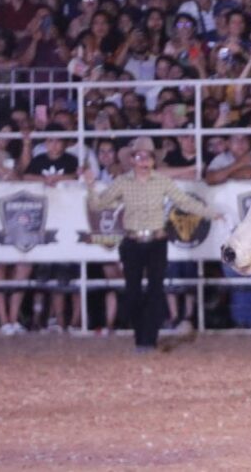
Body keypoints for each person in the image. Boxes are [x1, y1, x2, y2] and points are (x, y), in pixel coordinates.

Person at [84, 137, 223, 352]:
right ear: (132, 160)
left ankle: (147, 339)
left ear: (151, 160)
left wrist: (210, 213)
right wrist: (91, 186)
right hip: (132, 241)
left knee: (155, 290)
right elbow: (99, 203)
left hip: (156, 241)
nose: (143, 160)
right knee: (133, 292)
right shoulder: (122, 182)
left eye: (147, 156)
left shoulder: (161, 181)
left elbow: (184, 201)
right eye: (139, 156)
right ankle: (142, 336)